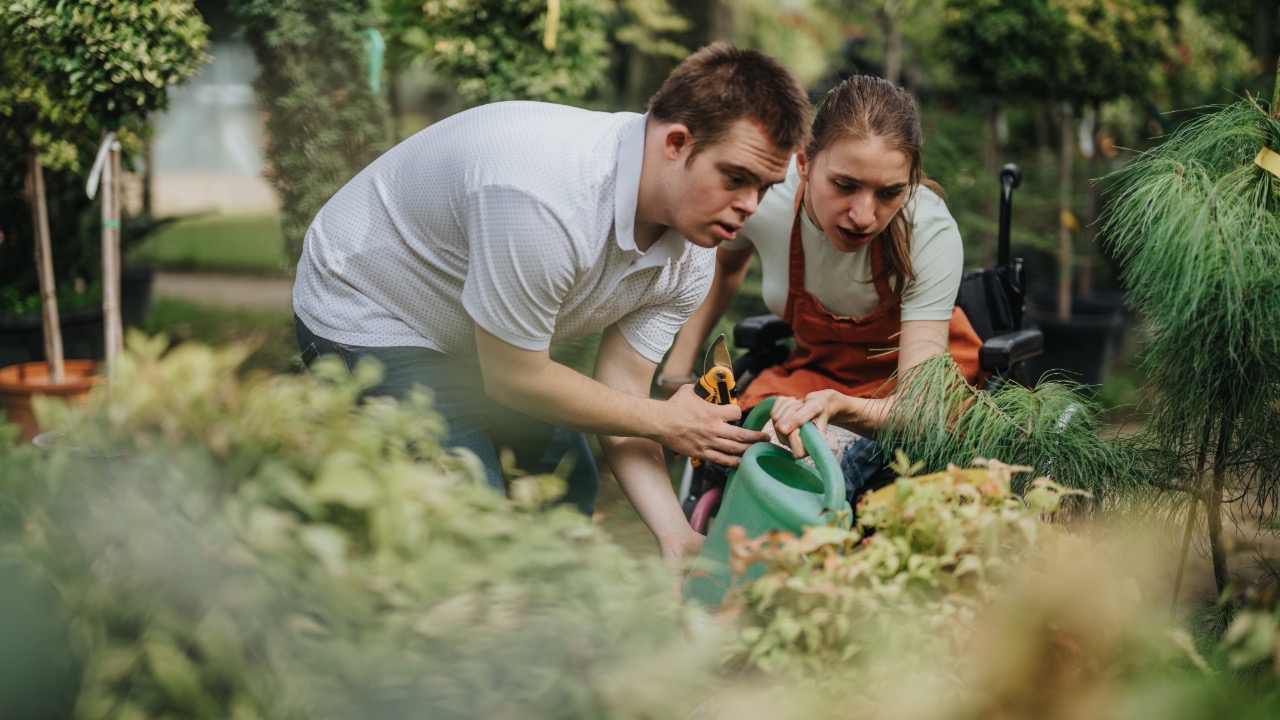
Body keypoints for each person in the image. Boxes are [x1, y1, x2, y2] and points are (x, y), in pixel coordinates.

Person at [292, 43, 812, 563]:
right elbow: (516, 378)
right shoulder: (546, 199)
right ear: (676, 142)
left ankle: (540, 631)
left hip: (478, 332)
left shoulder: (692, 254)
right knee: (466, 517)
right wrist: (666, 420)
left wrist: (674, 533)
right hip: (371, 306)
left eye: (765, 188)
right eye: (736, 178)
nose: (749, 206)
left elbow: (623, 391)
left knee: (565, 489)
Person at [660, 74, 984, 480]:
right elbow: (725, 265)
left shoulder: (928, 229)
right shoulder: (766, 201)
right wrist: (678, 369)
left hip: (911, 397)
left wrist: (842, 406)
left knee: (815, 470)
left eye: (888, 193)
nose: (863, 216)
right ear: (804, 162)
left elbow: (918, 408)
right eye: (845, 186)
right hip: (816, 375)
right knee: (747, 456)